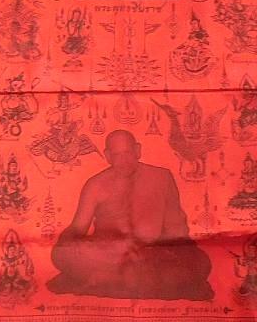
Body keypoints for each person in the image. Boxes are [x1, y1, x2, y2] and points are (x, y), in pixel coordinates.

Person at [47, 129, 214, 300]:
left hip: (154, 255)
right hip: (110, 256)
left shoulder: (162, 178)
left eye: (127, 153)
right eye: (117, 155)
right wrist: (70, 245)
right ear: (108, 156)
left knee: (201, 263)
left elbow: (176, 227)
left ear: (137, 150)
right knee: (62, 254)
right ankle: (134, 279)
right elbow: (77, 228)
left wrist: (166, 251)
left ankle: (111, 279)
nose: (124, 161)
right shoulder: (95, 185)